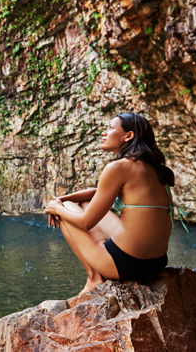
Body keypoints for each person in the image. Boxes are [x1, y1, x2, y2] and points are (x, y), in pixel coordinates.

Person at [44, 112, 186, 292]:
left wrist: (57, 207)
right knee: (84, 203)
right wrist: (64, 198)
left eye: (110, 128)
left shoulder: (118, 167)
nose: (104, 133)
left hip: (128, 265)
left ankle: (94, 278)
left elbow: (86, 223)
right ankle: (101, 259)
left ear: (129, 135)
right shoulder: (157, 170)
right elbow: (100, 193)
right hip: (157, 263)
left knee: (66, 210)